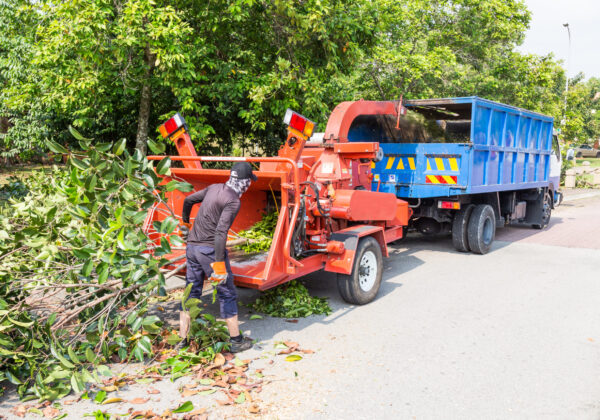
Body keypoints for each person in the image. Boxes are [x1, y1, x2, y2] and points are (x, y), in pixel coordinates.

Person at [179, 162, 257, 353]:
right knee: (227, 293)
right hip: (209, 252)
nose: (249, 186)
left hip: (192, 249)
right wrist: (220, 264)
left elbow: (188, 200)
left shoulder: (214, 188)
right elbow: (221, 232)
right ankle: (236, 340)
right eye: (249, 182)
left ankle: (183, 340)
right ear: (245, 182)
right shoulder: (233, 200)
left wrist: (186, 224)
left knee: (191, 293)